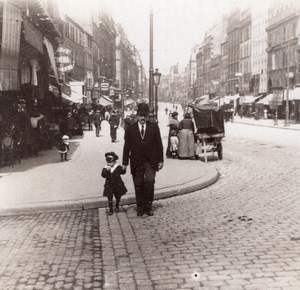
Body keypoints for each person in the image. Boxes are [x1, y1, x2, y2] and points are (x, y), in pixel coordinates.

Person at [122, 103, 164, 217]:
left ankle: (148, 206)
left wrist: (161, 160)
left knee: (150, 182)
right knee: (138, 184)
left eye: (144, 116)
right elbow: (127, 147)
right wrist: (124, 163)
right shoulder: (130, 129)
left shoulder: (154, 127)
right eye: (140, 115)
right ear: (137, 115)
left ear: (147, 116)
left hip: (150, 161)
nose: (142, 118)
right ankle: (140, 207)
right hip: (136, 161)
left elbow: (159, 144)